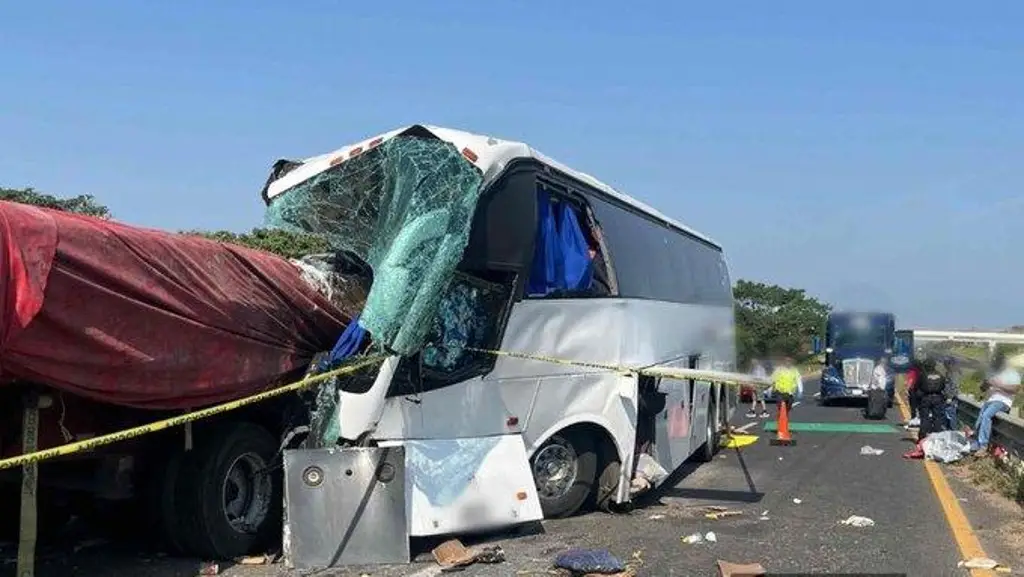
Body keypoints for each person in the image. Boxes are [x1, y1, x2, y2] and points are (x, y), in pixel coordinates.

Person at [968, 351, 1021, 454]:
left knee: (986, 415)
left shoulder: (1012, 373)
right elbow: (982, 389)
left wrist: (999, 386)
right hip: (990, 400)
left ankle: (983, 445)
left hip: (1003, 401)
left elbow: (1015, 389)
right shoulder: (993, 372)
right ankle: (976, 441)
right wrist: (985, 384)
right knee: (980, 418)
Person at [903, 358, 947, 459]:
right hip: (938, 398)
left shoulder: (923, 375)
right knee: (938, 419)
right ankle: (937, 438)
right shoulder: (940, 375)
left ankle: (922, 438)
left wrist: (918, 397)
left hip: (926, 398)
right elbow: (944, 386)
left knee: (925, 419)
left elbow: (916, 387)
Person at [942, 357, 960, 431]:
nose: (944, 366)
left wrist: (950, 397)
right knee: (947, 415)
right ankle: (948, 430)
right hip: (947, 397)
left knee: (951, 415)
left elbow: (955, 387)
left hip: (951, 399)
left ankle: (953, 431)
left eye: (946, 364)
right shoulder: (949, 373)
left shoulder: (953, 374)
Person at [904, 358, 923, 430]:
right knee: (920, 407)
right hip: (921, 391)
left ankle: (913, 420)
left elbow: (910, 381)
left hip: (913, 391)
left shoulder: (912, 371)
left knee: (913, 407)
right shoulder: (921, 371)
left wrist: (906, 390)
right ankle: (920, 421)